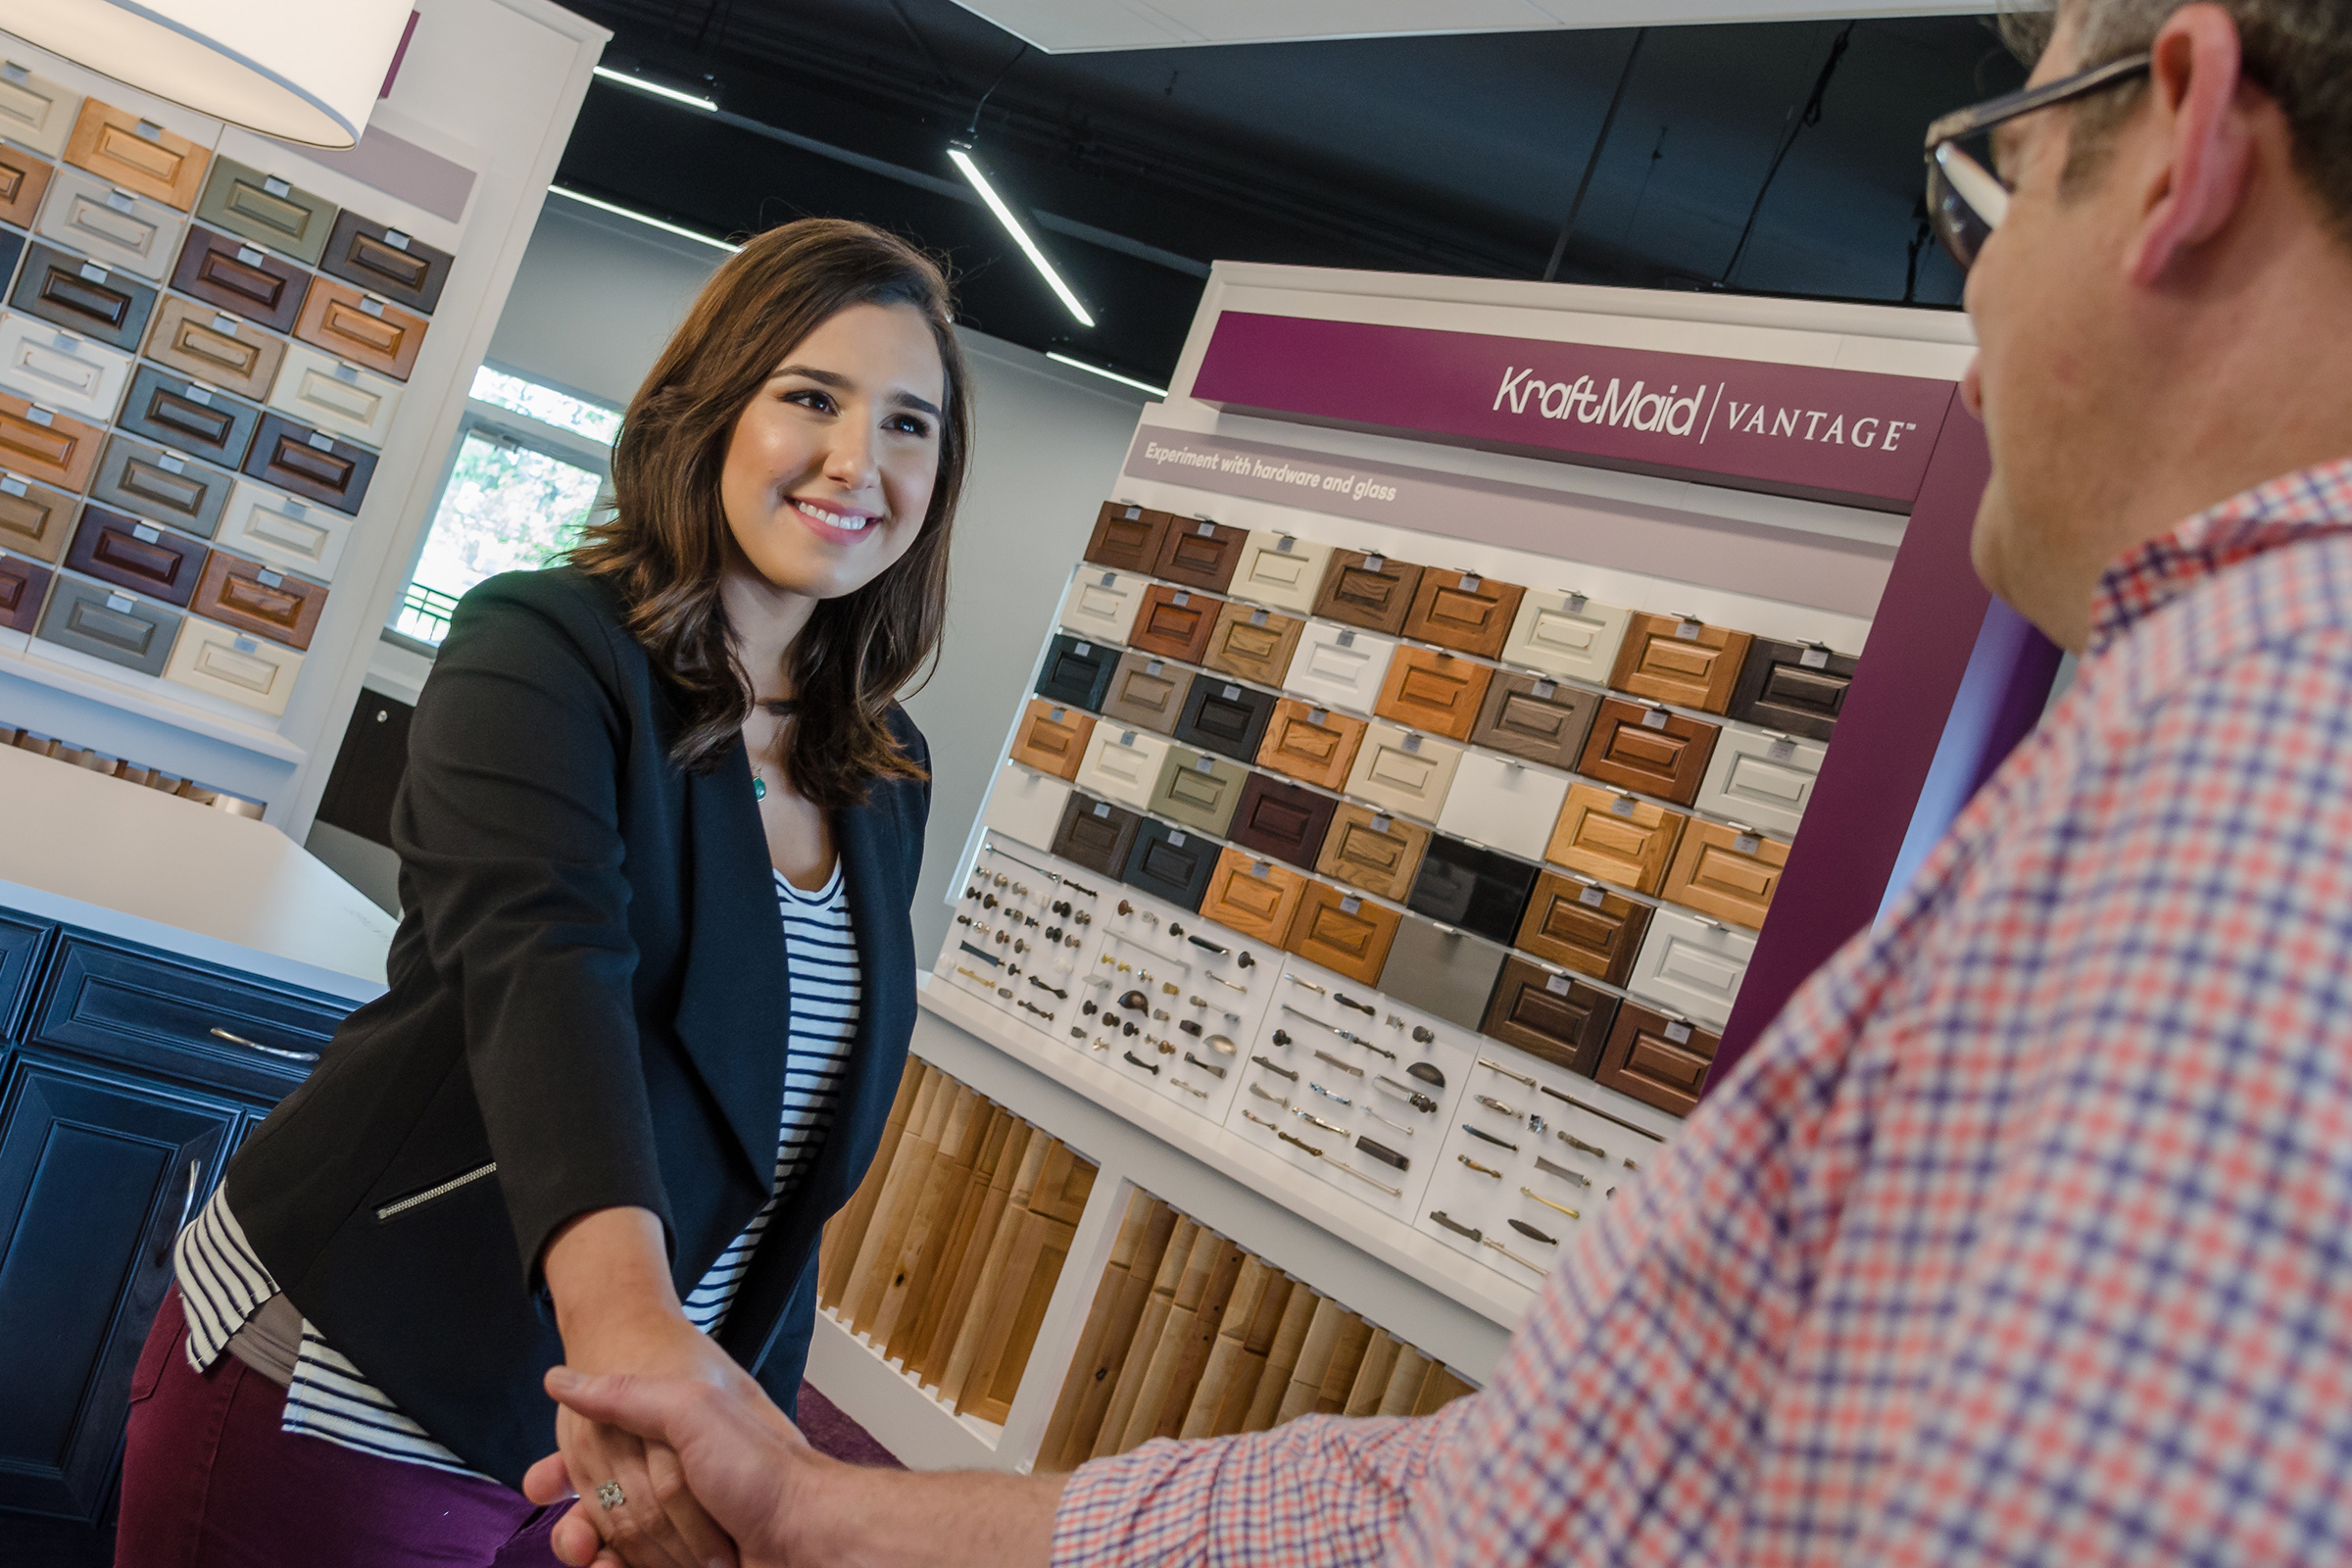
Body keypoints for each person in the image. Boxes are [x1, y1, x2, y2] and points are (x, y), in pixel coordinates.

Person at [523, 2, 2352, 1564]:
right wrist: (800, 1493)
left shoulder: (2238, 804)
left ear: (2181, 135)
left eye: (1994, 188)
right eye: (812, 402)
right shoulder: (554, 650)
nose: (1978, 305)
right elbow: (1514, 1508)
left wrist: (777, 1475)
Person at [116, 218, 971, 1568]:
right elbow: (540, 963)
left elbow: (777, 1151)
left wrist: (752, 1433)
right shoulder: (543, 645)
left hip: (620, 1455)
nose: (860, 460)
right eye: (811, 396)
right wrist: (630, 1337)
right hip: (361, 1384)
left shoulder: (883, 765)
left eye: (911, 423)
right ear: (709, 410)